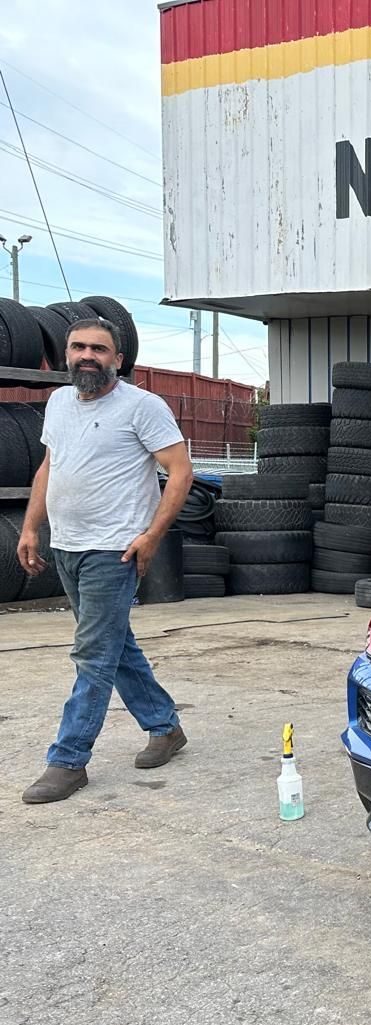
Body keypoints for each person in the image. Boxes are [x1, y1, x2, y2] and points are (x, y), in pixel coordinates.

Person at [15, 317, 193, 804]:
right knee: (115, 644)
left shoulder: (142, 407)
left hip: (113, 549)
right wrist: (32, 527)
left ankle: (68, 761)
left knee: (93, 655)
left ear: (118, 358)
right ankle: (164, 726)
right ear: (66, 354)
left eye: (98, 348)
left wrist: (152, 536)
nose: (87, 355)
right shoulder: (58, 402)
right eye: (78, 347)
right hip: (66, 544)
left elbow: (180, 472)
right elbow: (51, 466)